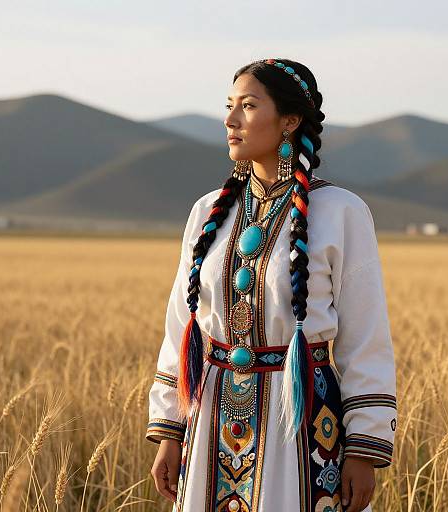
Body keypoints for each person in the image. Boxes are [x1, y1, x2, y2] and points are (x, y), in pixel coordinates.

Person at [147, 58, 397, 512]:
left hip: (298, 421)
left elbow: (366, 337)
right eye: (228, 106)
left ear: (289, 120)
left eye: (247, 105)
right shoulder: (207, 212)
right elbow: (180, 327)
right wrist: (170, 427)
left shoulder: (340, 211)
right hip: (210, 417)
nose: (230, 119)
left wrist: (363, 446)